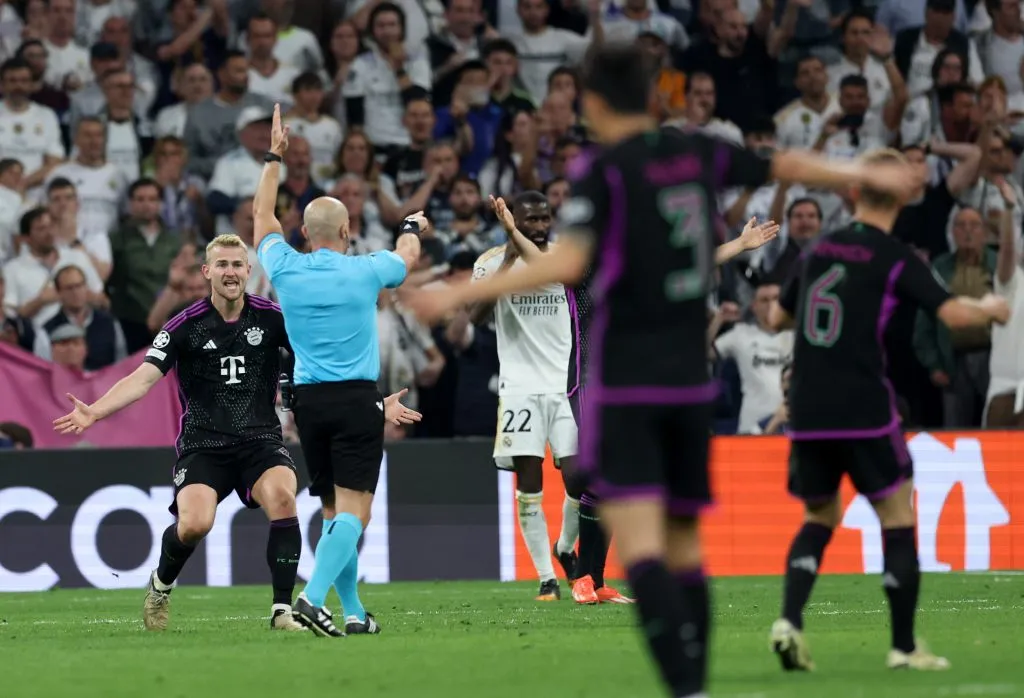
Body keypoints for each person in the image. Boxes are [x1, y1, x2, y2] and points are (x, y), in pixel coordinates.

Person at [406, 43, 925, 698]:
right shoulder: (696, 153)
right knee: (685, 547)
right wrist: (859, 172)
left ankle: (684, 686)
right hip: (688, 382)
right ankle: (696, 680)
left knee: (640, 540)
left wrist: (458, 293)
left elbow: (569, 262)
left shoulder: (608, 169)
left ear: (593, 103)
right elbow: (783, 161)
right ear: (654, 95)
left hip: (627, 382)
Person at [766, 148, 1009, 674]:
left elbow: (776, 319)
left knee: (818, 516)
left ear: (855, 190)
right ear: (901, 194)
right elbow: (952, 313)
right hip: (863, 405)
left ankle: (789, 620)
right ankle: (903, 646)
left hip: (806, 405)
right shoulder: (895, 256)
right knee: (898, 518)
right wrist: (990, 307)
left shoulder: (819, 249)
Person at [53, 233, 307, 633]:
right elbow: (142, 379)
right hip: (203, 444)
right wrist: (95, 412)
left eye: (237, 265)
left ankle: (281, 611)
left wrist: (372, 401)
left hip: (260, 441)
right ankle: (160, 585)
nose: (230, 272)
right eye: (221, 265)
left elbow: (318, 358)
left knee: (283, 498)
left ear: (248, 271)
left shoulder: (273, 318)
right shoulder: (184, 325)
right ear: (207, 272)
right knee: (194, 525)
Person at [253, 104, 422, 637]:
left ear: (303, 233)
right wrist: (413, 225)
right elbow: (408, 256)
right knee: (355, 514)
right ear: (347, 229)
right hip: (355, 401)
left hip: (307, 404)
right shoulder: (367, 269)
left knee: (332, 513)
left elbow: (262, 219)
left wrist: (273, 158)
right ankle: (311, 598)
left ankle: (353, 614)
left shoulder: (285, 267)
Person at [569, 213, 780, 606]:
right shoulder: (583, 264)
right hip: (590, 378)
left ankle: (594, 580)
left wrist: (739, 245)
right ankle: (583, 575)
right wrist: (514, 234)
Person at [473, 192, 587, 602]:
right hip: (519, 387)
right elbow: (476, 316)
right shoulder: (488, 263)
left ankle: (564, 547)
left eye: (545, 219)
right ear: (512, 220)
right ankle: (546, 578)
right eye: (530, 220)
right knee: (530, 485)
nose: (540, 227)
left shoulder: (561, 256)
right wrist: (506, 260)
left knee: (579, 477)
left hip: (564, 385)